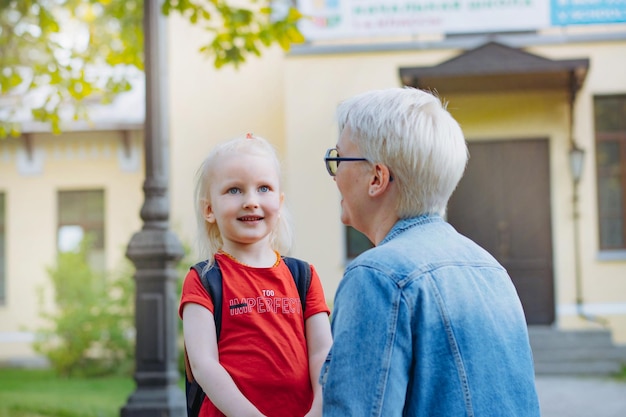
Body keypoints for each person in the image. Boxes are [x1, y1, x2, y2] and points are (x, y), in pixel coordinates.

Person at [320, 87, 540, 416]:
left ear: (377, 177)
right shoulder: (492, 271)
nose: (335, 177)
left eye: (339, 159)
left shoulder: (376, 276)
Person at [180, 133, 332, 417]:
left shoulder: (304, 276)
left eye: (264, 188)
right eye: (234, 190)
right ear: (209, 209)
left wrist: (318, 410)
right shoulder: (203, 280)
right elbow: (203, 365)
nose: (251, 201)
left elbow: (322, 354)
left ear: (280, 201)